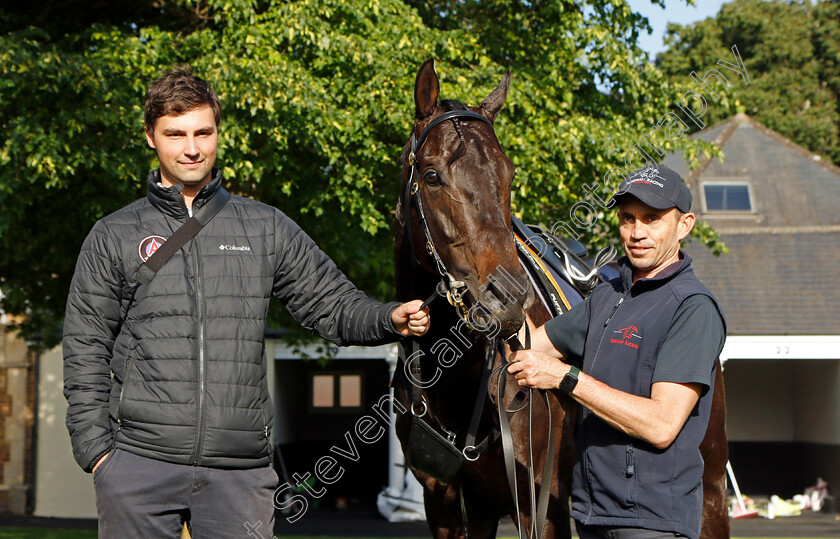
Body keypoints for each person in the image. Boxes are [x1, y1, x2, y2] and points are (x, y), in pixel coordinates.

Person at [63, 66, 430, 538]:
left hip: (240, 471)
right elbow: (85, 346)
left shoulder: (265, 226)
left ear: (218, 131)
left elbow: (331, 304)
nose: (191, 147)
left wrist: (388, 318)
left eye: (203, 132)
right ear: (150, 137)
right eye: (175, 134)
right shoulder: (114, 234)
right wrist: (98, 454)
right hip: (137, 464)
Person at [508, 163, 725, 539]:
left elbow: (661, 425)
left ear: (684, 225)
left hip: (653, 523)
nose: (637, 233)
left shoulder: (693, 307)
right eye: (628, 218)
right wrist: (493, 283)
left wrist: (566, 378)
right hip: (592, 516)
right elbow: (528, 346)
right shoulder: (608, 296)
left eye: (652, 219)